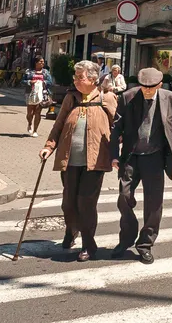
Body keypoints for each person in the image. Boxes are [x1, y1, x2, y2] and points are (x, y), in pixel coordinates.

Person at [41, 60, 118, 261]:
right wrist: (49, 146)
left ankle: (88, 244)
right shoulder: (71, 97)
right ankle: (71, 229)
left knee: (86, 203)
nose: (75, 80)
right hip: (70, 159)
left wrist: (119, 155)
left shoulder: (106, 98)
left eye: (80, 77)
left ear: (93, 79)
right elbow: (59, 124)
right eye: (75, 77)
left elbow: (118, 128)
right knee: (68, 203)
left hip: (95, 161)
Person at [110, 67, 172, 264]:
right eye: (144, 87)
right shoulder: (127, 97)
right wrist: (114, 155)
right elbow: (116, 127)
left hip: (156, 157)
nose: (147, 90)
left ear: (160, 85)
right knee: (124, 197)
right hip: (131, 157)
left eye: (151, 87)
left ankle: (145, 244)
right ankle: (126, 238)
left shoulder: (171, 98)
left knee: (154, 204)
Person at [23, 56, 54, 136]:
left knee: (38, 112)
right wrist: (30, 82)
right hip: (30, 93)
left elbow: (50, 82)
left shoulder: (45, 72)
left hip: (41, 94)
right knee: (30, 112)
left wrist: (44, 82)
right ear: (35, 63)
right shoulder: (29, 71)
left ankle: (35, 130)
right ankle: (30, 123)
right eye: (40, 61)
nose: (42, 63)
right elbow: (23, 81)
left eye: (43, 62)